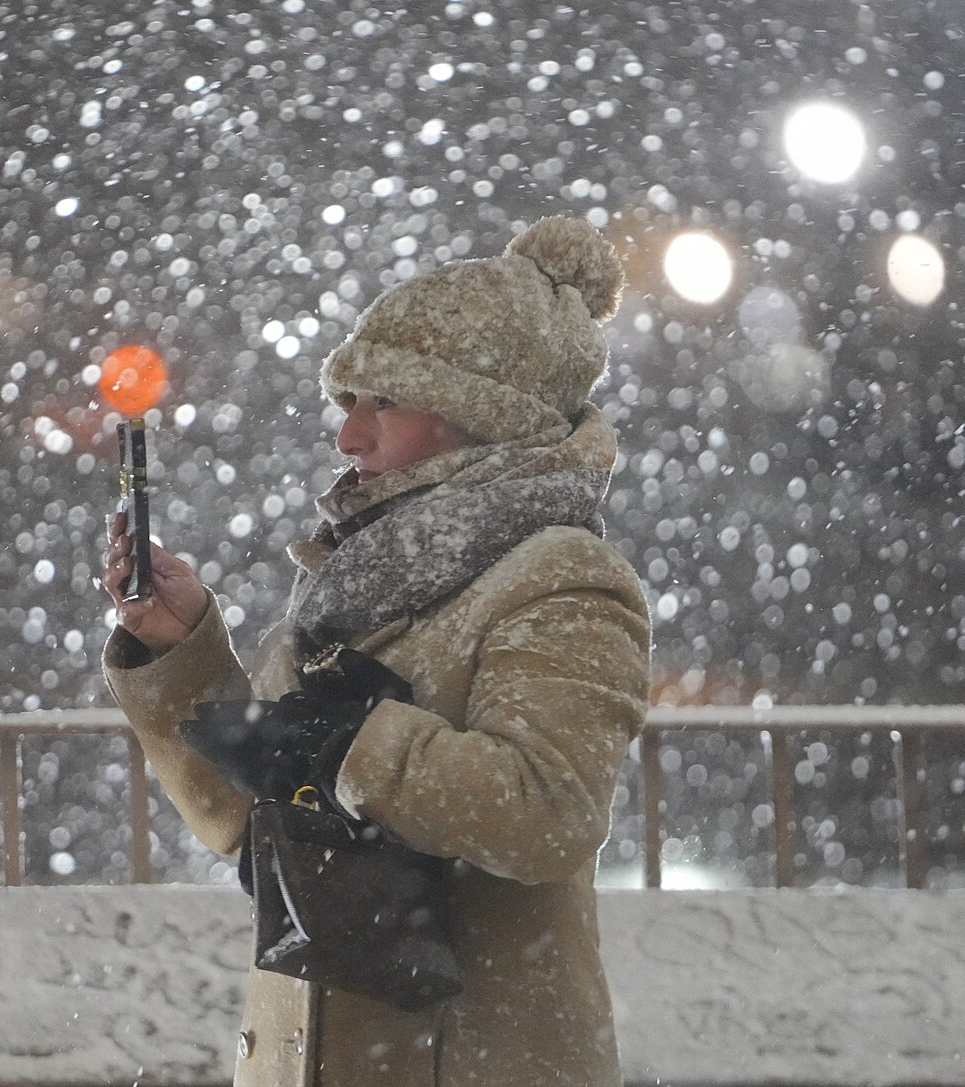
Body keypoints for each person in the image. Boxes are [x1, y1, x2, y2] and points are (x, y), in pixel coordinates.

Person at [100, 215, 652, 1086]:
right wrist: (186, 654)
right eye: (346, 402)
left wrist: (352, 746)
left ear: (479, 412)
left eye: (381, 401)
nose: (347, 436)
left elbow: (550, 813)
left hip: (467, 1061)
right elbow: (251, 824)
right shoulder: (356, 581)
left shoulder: (563, 581)